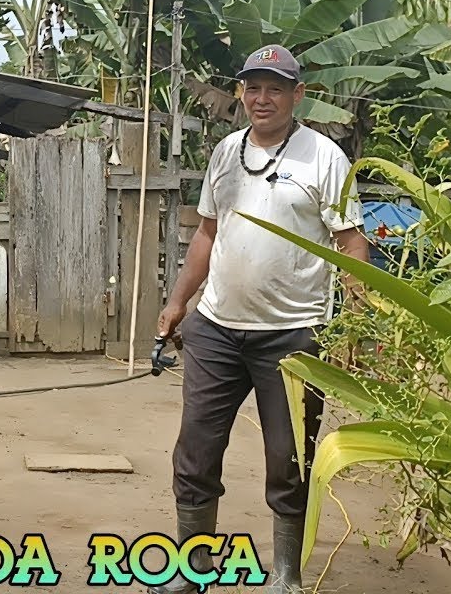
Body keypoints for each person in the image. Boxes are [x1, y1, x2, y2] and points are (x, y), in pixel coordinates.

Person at [152, 45, 370, 594]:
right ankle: (191, 572)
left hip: (293, 337)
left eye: (275, 88)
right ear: (241, 93)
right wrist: (179, 302)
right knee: (195, 454)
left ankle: (286, 576)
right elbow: (207, 232)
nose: (262, 98)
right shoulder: (227, 152)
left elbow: (349, 243)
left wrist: (358, 324)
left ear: (298, 96)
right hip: (216, 329)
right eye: (253, 87)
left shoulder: (324, 158)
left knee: (289, 459)